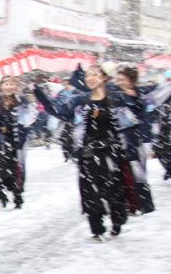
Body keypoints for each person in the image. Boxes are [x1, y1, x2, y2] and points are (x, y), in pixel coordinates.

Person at [35, 65, 130, 240]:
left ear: (104, 77)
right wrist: (40, 94)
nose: (90, 78)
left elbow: (133, 116)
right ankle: (97, 228)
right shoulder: (81, 100)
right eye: (88, 75)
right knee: (91, 192)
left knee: (114, 190)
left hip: (112, 152)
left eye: (95, 74)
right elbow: (59, 111)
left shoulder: (117, 98)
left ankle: (117, 219)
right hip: (88, 153)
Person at [0, 75, 38, 210]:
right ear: (1, 86)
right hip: (0, 141)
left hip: (16, 140)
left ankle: (17, 194)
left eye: (11, 84)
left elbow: (30, 117)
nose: (8, 87)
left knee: (16, 168)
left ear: (16, 86)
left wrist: (22, 129)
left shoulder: (22, 101)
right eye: (6, 84)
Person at [114, 64, 155, 214]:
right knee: (121, 173)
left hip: (135, 140)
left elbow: (146, 119)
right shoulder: (115, 94)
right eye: (118, 79)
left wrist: (147, 141)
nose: (119, 82)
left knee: (138, 173)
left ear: (132, 80)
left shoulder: (141, 96)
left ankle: (144, 205)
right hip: (118, 139)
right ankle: (129, 204)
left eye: (123, 79)